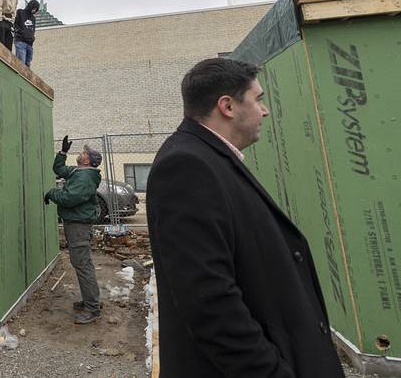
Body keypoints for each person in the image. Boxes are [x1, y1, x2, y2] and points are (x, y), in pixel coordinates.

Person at [147, 58, 344, 378]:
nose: (264, 110)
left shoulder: (209, 158)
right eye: (257, 99)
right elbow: (210, 306)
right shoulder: (186, 166)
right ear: (227, 106)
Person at [43, 136, 103, 324]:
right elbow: (59, 170)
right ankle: (90, 300)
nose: (81, 153)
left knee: (82, 265)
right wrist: (63, 153)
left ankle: (92, 308)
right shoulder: (80, 172)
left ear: (87, 161)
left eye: (84, 152)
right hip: (76, 224)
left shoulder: (85, 177)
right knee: (81, 264)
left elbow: (69, 197)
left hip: (78, 225)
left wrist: (51, 193)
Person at [13, 0, 39, 66]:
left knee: (28, 64)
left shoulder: (33, 18)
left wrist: (32, 38)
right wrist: (21, 33)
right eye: (34, 8)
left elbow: (33, 30)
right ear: (30, 6)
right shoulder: (20, 12)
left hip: (29, 44)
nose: (34, 10)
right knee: (21, 63)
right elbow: (15, 24)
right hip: (20, 41)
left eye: (36, 9)